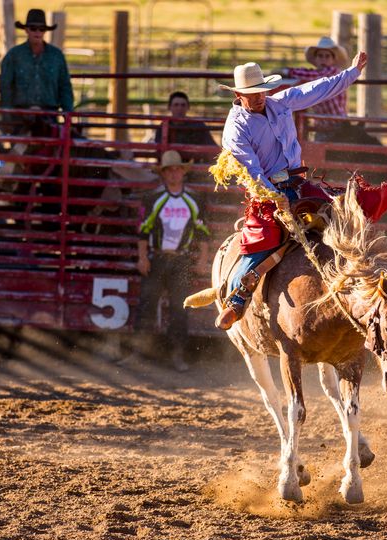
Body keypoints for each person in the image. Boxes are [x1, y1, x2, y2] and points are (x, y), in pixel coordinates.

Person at [214, 53, 369, 330]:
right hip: (266, 192)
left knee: (345, 217)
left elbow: (315, 89)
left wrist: (351, 72)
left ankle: (364, 281)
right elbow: (252, 172)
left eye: (261, 91)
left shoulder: (279, 103)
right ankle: (238, 297)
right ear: (238, 94)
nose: (260, 97)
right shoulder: (235, 129)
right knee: (263, 239)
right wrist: (274, 196)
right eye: (252, 93)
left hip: (298, 183)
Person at [132, 150, 209, 371]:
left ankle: (177, 355)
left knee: (179, 309)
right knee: (146, 306)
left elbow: (203, 231)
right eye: (169, 170)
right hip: (157, 258)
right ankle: (139, 353)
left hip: (181, 261)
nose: (174, 174)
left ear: (183, 172)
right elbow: (143, 231)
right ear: (164, 174)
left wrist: (203, 258)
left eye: (177, 169)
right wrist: (142, 257)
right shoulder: (154, 198)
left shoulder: (194, 200)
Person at [0, 9, 74, 117]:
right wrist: (7, 118)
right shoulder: (13, 56)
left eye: (41, 29)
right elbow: (5, 88)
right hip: (20, 116)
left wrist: (68, 116)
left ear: (45, 31)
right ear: (26, 30)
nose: (37, 32)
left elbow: (65, 87)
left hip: (49, 115)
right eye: (33, 28)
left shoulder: (56, 56)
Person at [281, 37, 349, 140]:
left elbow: (315, 75)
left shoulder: (333, 72)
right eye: (320, 56)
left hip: (338, 127)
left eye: (327, 56)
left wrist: (287, 72)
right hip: (324, 126)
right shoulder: (319, 75)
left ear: (333, 59)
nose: (323, 59)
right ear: (316, 59)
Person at [151, 91, 217, 152]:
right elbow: (159, 152)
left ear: (188, 107)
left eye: (183, 105)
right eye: (176, 105)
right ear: (169, 107)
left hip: (195, 162)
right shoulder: (163, 127)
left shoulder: (198, 125)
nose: (179, 108)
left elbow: (212, 148)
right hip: (171, 163)